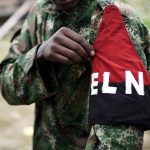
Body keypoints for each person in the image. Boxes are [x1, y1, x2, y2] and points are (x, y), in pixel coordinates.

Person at [0, 0, 149, 150]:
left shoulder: (115, 18)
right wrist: (39, 56)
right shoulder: (40, 12)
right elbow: (7, 87)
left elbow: (120, 140)